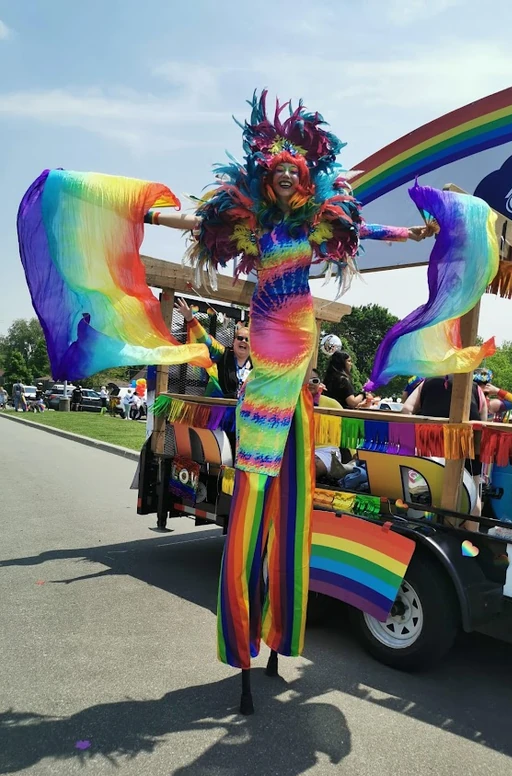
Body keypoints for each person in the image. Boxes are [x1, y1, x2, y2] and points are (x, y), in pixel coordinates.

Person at [142, 91, 433, 697]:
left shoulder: (316, 226)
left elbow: (365, 229)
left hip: (301, 337)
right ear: (265, 177)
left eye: (292, 170)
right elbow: (200, 224)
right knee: (256, 478)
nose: (284, 175)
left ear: (303, 180)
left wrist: (414, 232)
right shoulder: (252, 228)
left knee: (293, 473)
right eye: (275, 169)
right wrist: (150, 218)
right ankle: (245, 628)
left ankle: (279, 625)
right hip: (268, 337)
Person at [402, 375, 487, 531]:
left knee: (423, 489)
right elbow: (483, 422)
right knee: (473, 493)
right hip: (467, 445)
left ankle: (421, 529)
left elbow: (406, 409)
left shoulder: (426, 382)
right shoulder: (475, 387)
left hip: (431, 443)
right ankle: (472, 535)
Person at [176, 298, 252, 398]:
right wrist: (190, 319)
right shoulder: (223, 354)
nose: (243, 341)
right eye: (240, 338)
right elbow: (206, 340)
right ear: (234, 341)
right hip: (220, 405)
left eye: (247, 339)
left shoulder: (258, 363)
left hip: (247, 407)